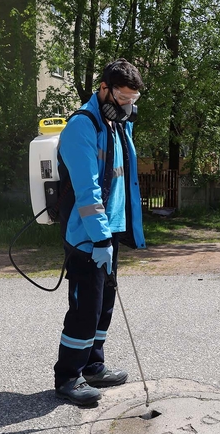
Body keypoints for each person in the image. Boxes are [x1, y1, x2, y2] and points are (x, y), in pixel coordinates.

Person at [53, 59, 146, 405]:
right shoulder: (82, 126)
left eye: (132, 100)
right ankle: (68, 377)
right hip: (87, 236)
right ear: (103, 88)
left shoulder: (117, 123)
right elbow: (87, 191)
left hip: (111, 231)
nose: (128, 107)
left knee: (105, 304)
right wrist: (99, 237)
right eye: (122, 98)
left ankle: (93, 365)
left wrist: (116, 232)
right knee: (85, 308)